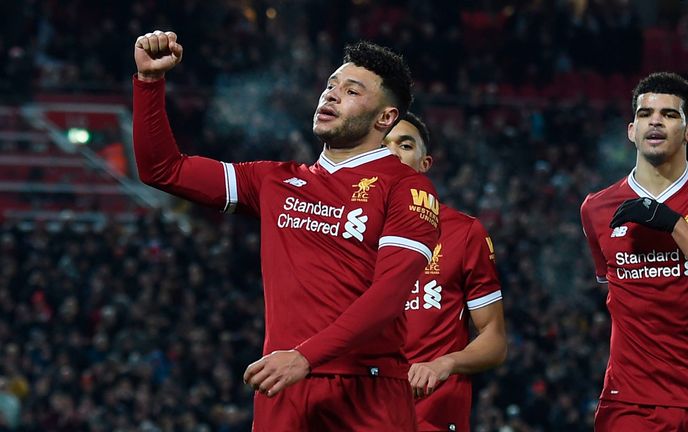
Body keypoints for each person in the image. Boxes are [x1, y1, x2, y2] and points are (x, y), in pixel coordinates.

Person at [133, 30, 440, 431]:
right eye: (330, 85)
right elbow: (163, 169)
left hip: (367, 392)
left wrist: (306, 357)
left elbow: (389, 295)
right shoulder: (275, 181)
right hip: (283, 386)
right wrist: (150, 83)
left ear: (386, 118)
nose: (330, 95)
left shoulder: (407, 186)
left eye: (351, 91)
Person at [580, 72, 688, 431]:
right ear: (631, 130)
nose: (655, 120)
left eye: (670, 114)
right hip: (630, 403)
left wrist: (673, 223)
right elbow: (613, 289)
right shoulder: (595, 209)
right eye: (645, 114)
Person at [384, 112, 507, 432]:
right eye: (382, 145)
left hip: (432, 416)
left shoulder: (464, 233)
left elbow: (494, 339)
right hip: (363, 412)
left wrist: (445, 363)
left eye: (405, 144)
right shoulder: (351, 234)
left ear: (425, 163)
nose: (392, 153)